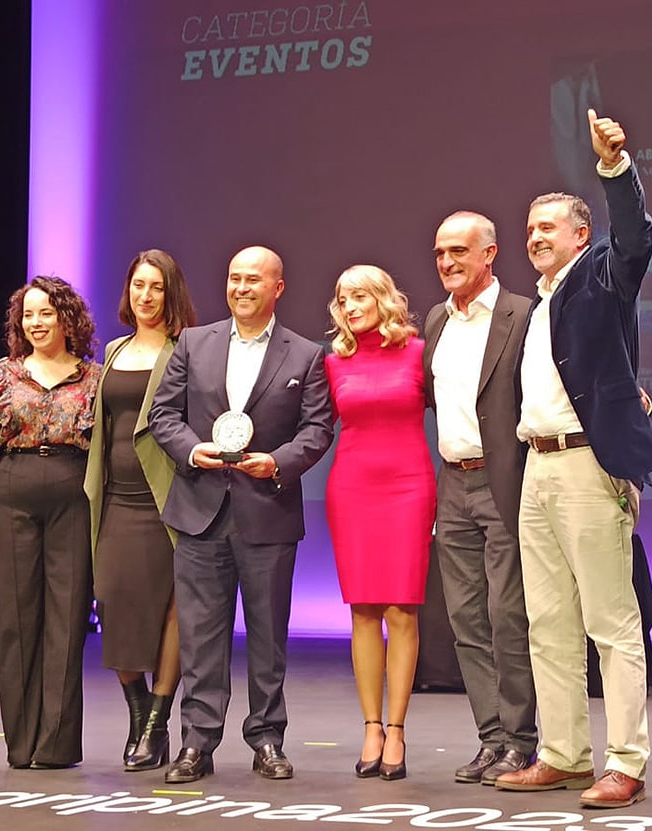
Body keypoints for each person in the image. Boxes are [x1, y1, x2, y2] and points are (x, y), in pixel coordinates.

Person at [493, 109, 652, 809]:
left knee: (609, 622)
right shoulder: (537, 306)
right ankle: (563, 753)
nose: (534, 238)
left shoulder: (600, 275)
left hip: (588, 467)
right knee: (549, 622)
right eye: (527, 230)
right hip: (538, 467)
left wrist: (613, 169)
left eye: (547, 228)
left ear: (580, 236)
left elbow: (634, 239)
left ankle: (624, 760)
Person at [147, 245, 334, 784]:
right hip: (201, 509)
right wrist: (190, 449)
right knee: (201, 636)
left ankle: (267, 739)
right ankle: (196, 744)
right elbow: (163, 413)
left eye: (254, 280)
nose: (241, 288)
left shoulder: (304, 355)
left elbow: (317, 430)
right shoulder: (193, 342)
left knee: (268, 636)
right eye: (234, 278)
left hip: (266, 509)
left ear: (278, 287)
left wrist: (275, 461)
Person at [0, 275, 100, 770]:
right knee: (14, 621)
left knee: (66, 620)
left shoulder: (93, 379)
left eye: (47, 313)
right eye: (29, 315)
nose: (37, 323)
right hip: (12, 491)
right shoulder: (2, 375)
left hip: (72, 492)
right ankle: (20, 745)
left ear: (68, 319)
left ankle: (57, 745)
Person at [423, 212, 540, 785]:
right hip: (453, 483)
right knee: (465, 618)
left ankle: (522, 739)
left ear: (489, 254)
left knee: (506, 614)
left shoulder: (524, 314)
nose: (447, 262)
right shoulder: (436, 321)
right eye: (441, 252)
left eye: (459, 252)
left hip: (504, 481)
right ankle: (491, 739)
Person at [83, 249, 197, 771]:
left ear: (169, 293)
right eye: (137, 286)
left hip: (166, 499)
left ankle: (155, 725)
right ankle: (138, 715)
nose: (145, 296)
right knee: (114, 604)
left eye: (155, 287)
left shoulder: (186, 351)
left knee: (171, 609)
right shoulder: (113, 349)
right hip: (114, 500)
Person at [324, 265, 436, 781]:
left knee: (401, 611)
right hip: (352, 489)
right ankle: (370, 726)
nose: (349, 306)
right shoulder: (334, 362)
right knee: (363, 610)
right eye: (342, 298)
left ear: (383, 298)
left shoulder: (419, 352)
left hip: (408, 489)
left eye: (360, 296)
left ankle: (397, 728)